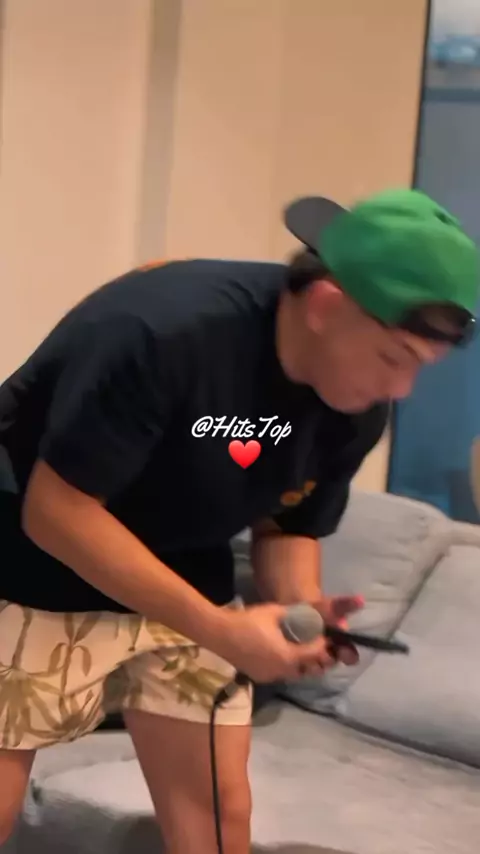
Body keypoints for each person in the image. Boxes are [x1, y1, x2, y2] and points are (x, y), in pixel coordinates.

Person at [0, 187, 477, 854]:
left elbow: (290, 523)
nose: (400, 391)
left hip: (185, 562)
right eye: (393, 358)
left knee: (219, 810)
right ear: (325, 305)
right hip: (31, 556)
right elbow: (56, 512)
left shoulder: (355, 407)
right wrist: (221, 629)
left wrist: (300, 611)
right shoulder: (163, 331)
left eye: (418, 369)